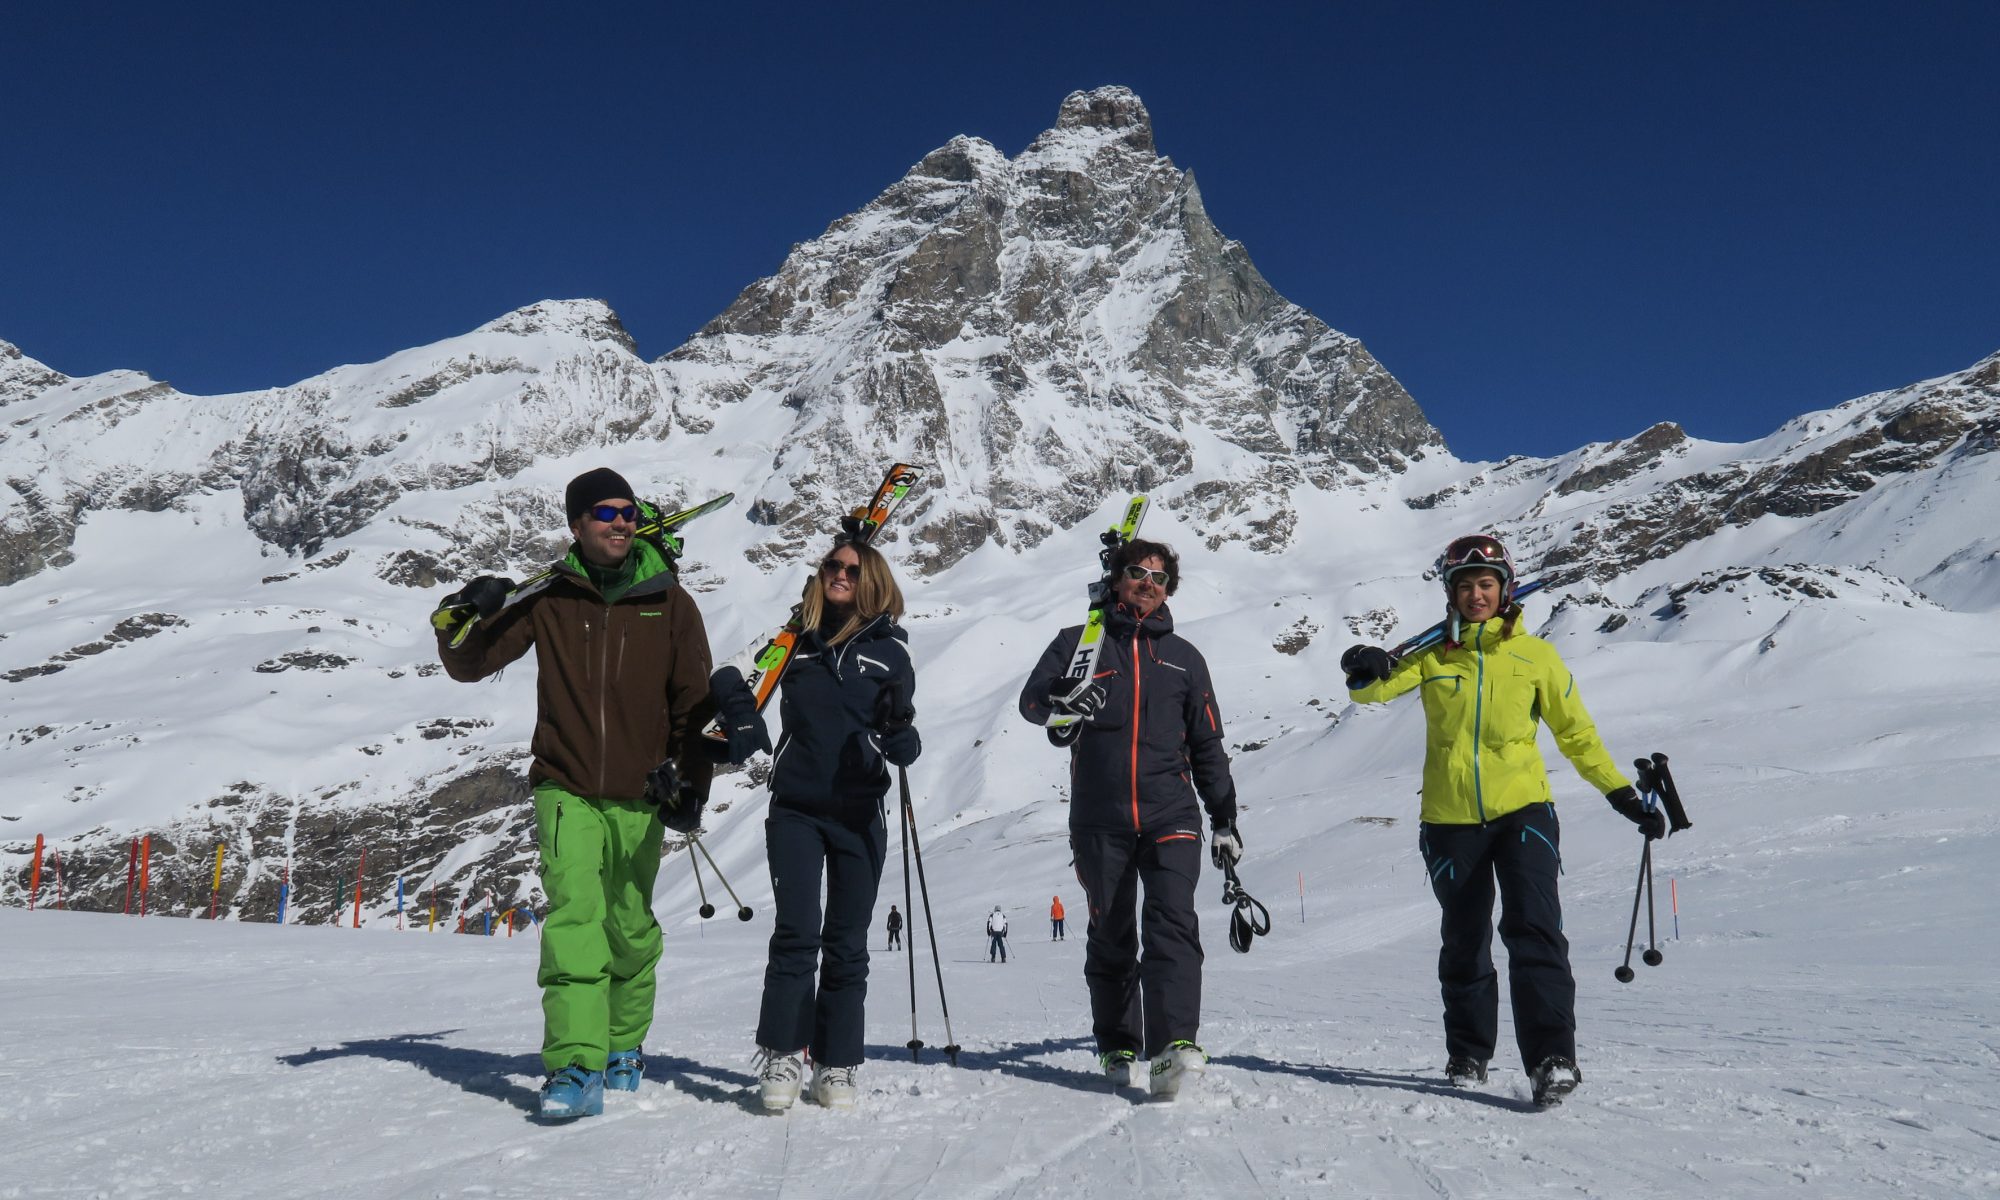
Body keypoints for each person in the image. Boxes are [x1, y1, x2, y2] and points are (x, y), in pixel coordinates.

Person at [1341, 533, 1665, 1108]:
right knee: (1464, 941)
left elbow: (1575, 733)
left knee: (1534, 930)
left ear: (1505, 590)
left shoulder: (1536, 656)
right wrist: (1362, 667)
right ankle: (1469, 1052)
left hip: (1525, 812)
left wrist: (1619, 794)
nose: (1475, 595)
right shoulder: (1434, 655)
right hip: (1448, 819)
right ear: (1451, 593)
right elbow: (1373, 693)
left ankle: (1551, 1060)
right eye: (1464, 586)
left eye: (1486, 584)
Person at [434, 467, 714, 1120]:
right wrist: (458, 617)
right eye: (606, 513)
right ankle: (574, 1067)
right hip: (566, 786)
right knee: (574, 922)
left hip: (642, 793)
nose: (620, 522)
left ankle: (622, 1045)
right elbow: (469, 663)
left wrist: (689, 784)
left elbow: (694, 705)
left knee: (629, 927)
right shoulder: (550, 599)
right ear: (577, 525)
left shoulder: (671, 603)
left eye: (629, 512)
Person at [1018, 538, 1242, 1101]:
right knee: (1112, 933)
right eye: (1138, 573)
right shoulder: (1080, 645)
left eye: (1159, 577)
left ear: (1170, 590)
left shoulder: (1185, 658)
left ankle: (1173, 1048)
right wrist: (1064, 695)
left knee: (1173, 924)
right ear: (1116, 579)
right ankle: (1118, 1042)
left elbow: (1208, 742)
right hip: (1100, 818)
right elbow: (1032, 703)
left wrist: (1224, 818)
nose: (1148, 583)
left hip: (1173, 812)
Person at [707, 535, 920, 1114]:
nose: (840, 574)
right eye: (832, 564)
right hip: (796, 808)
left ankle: (837, 1062)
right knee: (797, 932)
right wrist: (743, 715)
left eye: (852, 567)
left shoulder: (890, 653)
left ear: (872, 578)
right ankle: (782, 1053)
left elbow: (901, 724)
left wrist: (906, 742)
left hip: (859, 813)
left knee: (848, 944)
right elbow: (729, 678)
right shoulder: (792, 640)